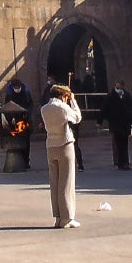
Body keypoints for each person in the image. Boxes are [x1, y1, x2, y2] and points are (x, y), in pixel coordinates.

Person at [40, 83, 82, 228]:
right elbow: (77, 118)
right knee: (66, 182)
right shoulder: (63, 107)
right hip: (64, 145)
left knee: (55, 183)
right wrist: (73, 101)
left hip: (50, 145)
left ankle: (58, 216)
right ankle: (68, 217)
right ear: (63, 96)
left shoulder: (44, 109)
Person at [98, 80, 132, 169]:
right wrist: (100, 121)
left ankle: (125, 162)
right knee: (118, 144)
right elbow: (104, 109)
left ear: (123, 87)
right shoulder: (110, 96)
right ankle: (120, 162)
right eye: (117, 87)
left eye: (120, 87)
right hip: (115, 123)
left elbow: (131, 109)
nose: (118, 89)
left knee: (124, 144)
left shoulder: (127, 96)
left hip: (125, 123)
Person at [3, 77, 34, 169]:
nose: (17, 89)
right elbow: (7, 106)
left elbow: (30, 104)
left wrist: (27, 114)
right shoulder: (9, 94)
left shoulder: (25, 91)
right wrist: (11, 117)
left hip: (25, 119)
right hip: (13, 120)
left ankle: (26, 161)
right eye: (15, 87)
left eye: (18, 87)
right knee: (17, 140)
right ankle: (19, 161)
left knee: (26, 142)